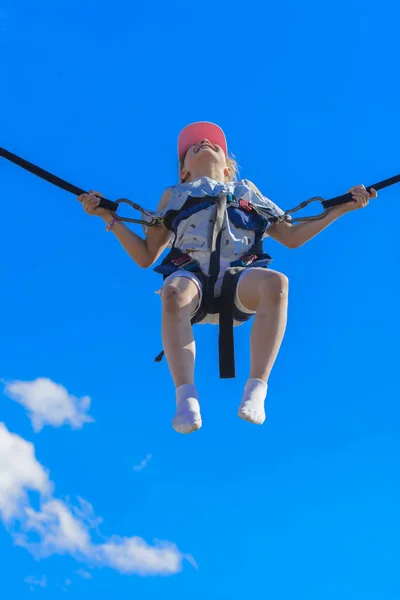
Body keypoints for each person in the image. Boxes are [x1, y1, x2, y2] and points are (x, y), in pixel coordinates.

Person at [78, 122, 377, 435]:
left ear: (228, 168)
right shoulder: (175, 194)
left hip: (239, 279)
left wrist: (342, 207)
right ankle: (186, 398)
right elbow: (146, 255)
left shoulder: (246, 191)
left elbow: (291, 236)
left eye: (214, 143)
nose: (205, 141)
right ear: (183, 172)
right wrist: (108, 216)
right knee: (172, 291)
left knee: (277, 283)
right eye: (194, 145)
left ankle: (257, 388)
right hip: (192, 279)